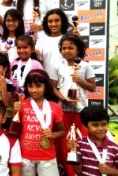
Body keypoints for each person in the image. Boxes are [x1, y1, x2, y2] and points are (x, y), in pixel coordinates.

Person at [50, 34, 96, 176]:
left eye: (71, 47)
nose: (67, 51)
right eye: (64, 48)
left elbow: (92, 87)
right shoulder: (57, 66)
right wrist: (63, 98)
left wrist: (79, 80)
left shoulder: (85, 66)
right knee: (64, 142)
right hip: (63, 110)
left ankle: (82, 171)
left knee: (79, 140)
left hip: (80, 110)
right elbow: (53, 88)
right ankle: (66, 171)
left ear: (78, 49)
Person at [13, 69, 65, 175]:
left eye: (38, 86)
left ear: (46, 86)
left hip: (47, 156)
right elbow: (14, 128)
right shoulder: (22, 104)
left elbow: (62, 131)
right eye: (30, 86)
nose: (34, 90)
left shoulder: (55, 107)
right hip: (25, 156)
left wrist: (53, 134)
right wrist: (15, 111)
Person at [67, 106, 118, 175]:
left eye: (104, 124)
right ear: (85, 126)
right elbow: (78, 171)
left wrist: (110, 171)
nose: (100, 128)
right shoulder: (79, 144)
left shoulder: (114, 148)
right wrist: (74, 152)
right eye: (95, 125)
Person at [35, 8, 70, 78]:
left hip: (67, 80)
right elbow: (38, 64)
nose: (53, 24)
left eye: (56, 20)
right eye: (50, 21)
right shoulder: (41, 41)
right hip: (47, 82)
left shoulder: (69, 40)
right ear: (46, 23)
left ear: (62, 21)